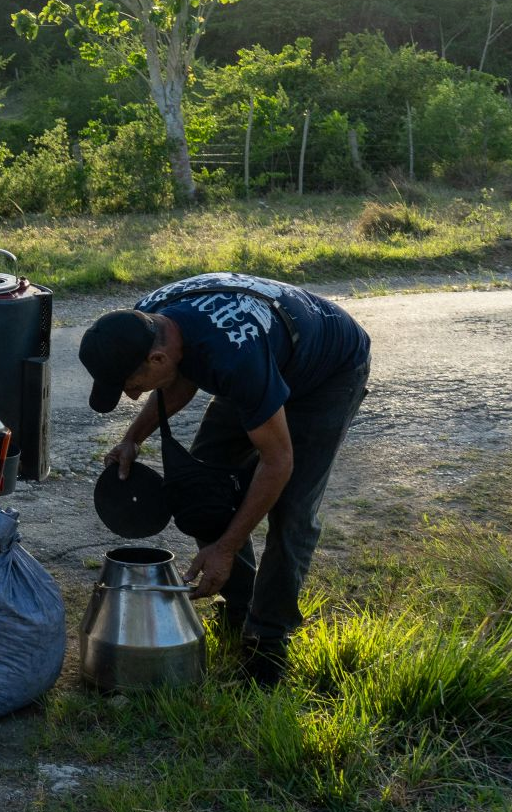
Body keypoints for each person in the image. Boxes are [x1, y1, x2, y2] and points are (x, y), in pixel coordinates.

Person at [78, 273, 371, 685]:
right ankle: (239, 606)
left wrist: (224, 548)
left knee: (291, 509)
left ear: (156, 358)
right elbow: (180, 379)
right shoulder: (148, 322)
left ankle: (267, 643)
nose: (131, 396)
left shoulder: (234, 358)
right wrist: (131, 439)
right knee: (200, 486)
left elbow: (278, 462)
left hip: (326, 373)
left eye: (131, 385)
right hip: (265, 359)